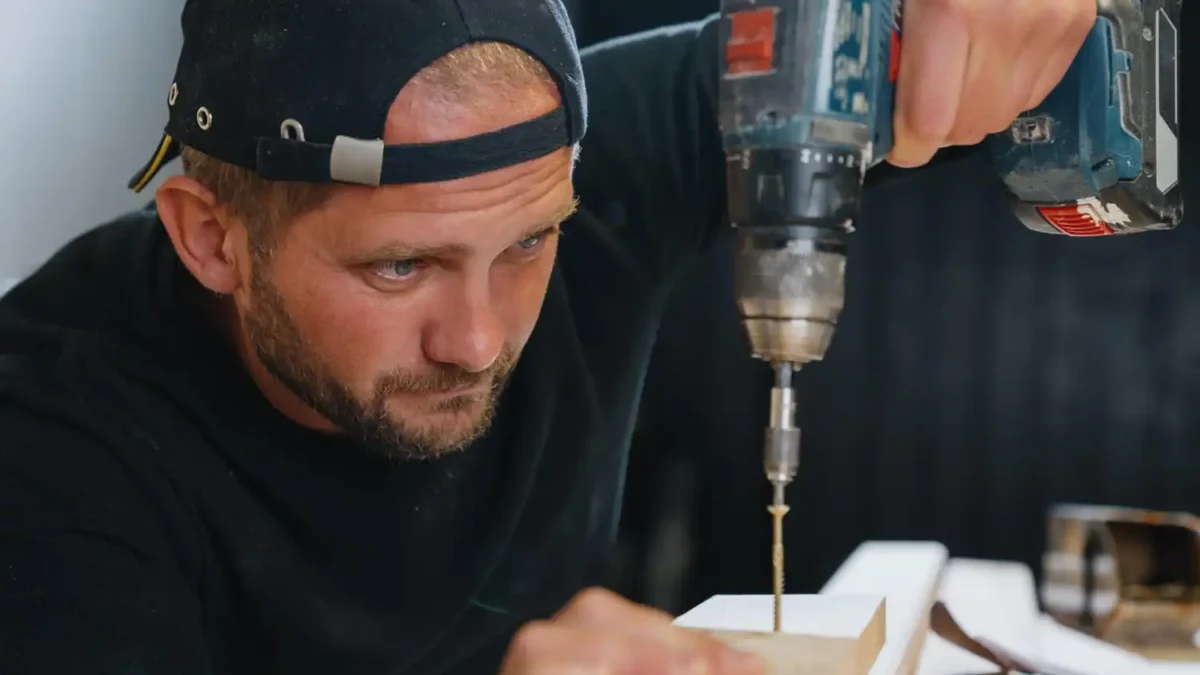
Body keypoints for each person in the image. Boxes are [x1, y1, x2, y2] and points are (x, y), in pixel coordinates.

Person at [0, 0, 1095, 672]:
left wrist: (996, 21)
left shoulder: (579, 160)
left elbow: (867, 53)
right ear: (212, 238)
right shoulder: (54, 451)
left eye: (531, 244)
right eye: (401, 265)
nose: (478, 342)